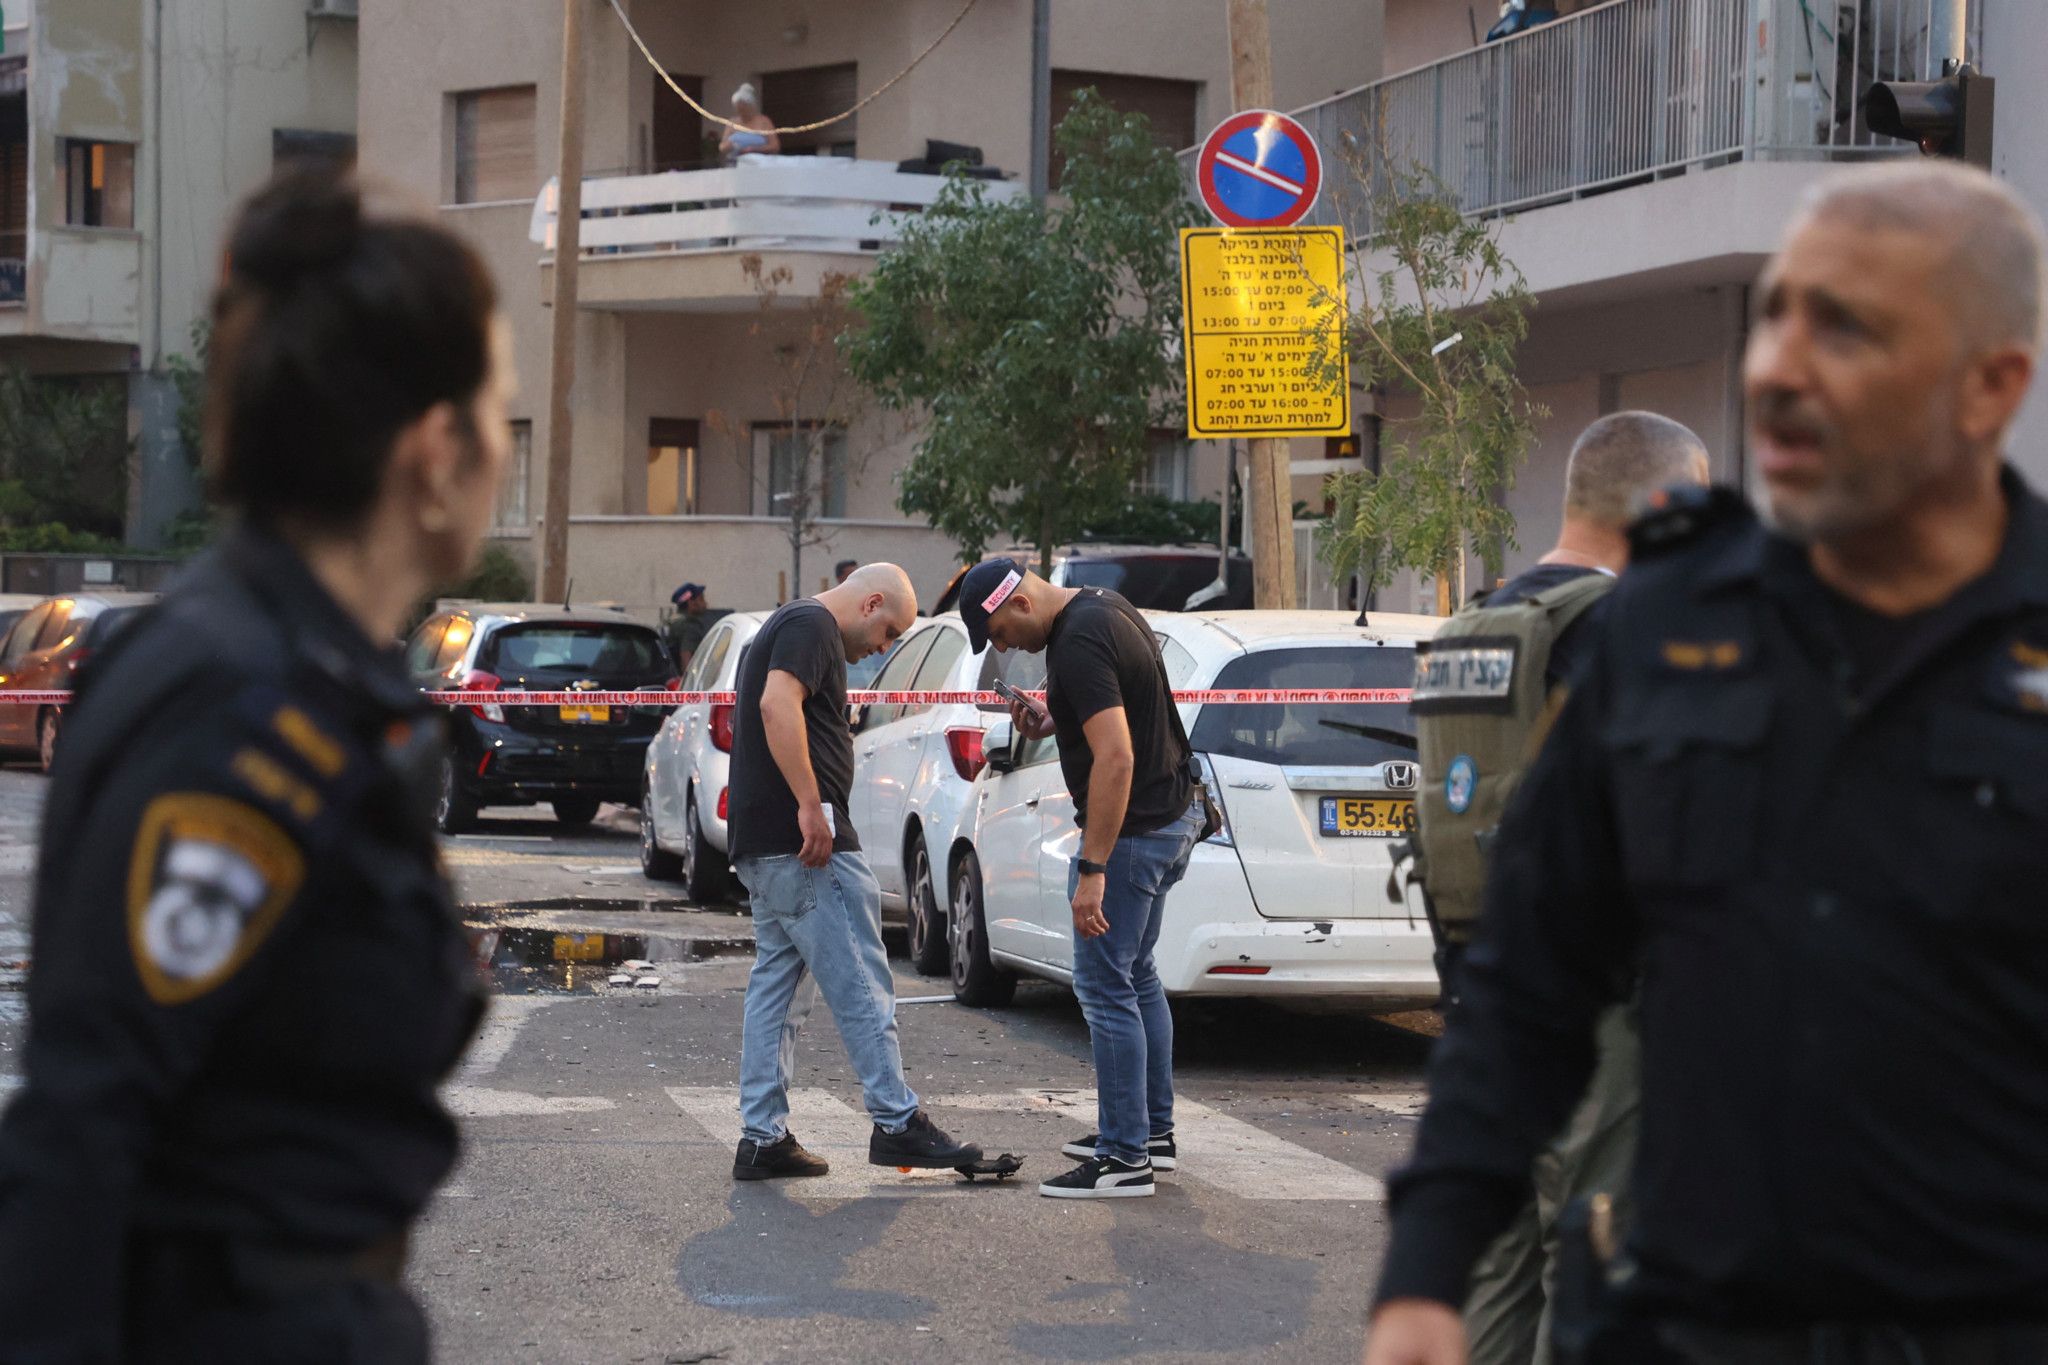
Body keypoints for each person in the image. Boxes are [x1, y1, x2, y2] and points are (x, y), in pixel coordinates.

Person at [1366, 161, 2048, 1364]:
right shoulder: (1661, 628)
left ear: (1989, 384)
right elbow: (1528, 985)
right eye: (1778, 313)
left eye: (1845, 328)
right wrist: (1427, 1265)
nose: (1778, 365)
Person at [0, 168, 512, 1361]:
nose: (500, 446)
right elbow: (90, 1117)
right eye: (501, 410)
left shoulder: (308, 672)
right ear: (434, 452)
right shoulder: (240, 697)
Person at [1412, 412, 1709, 1365]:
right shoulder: (1614, 627)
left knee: (1493, 1287)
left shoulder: (1471, 627)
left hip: (1482, 1004)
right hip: (1598, 1024)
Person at [727, 563, 987, 1180]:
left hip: (764, 844)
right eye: (888, 630)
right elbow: (775, 705)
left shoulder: (785, 625)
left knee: (778, 988)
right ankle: (898, 1123)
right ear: (870, 602)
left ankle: (762, 1137)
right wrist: (811, 806)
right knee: (863, 984)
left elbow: (779, 708)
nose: (885, 646)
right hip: (806, 844)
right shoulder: (812, 626)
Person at [959, 558, 1205, 1199]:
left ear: (1014, 604)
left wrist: (1093, 868)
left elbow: (1118, 757)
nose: (1006, 648)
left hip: (1134, 833)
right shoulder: (1103, 607)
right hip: (1172, 817)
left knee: (1102, 987)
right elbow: (1122, 719)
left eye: (1000, 635)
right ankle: (1149, 1133)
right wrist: (1052, 718)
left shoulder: (1077, 643)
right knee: (1135, 975)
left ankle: (1125, 1157)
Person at [667, 581, 725, 671]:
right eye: (701, 599)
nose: (706, 604)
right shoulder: (689, 625)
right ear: (691, 603)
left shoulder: (670, 621)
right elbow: (686, 661)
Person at [718, 83, 781, 164]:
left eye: (744, 109)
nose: (741, 112)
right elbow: (722, 146)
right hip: (735, 164)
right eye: (739, 109)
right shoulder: (732, 123)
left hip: (760, 164)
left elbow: (775, 146)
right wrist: (727, 147)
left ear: (751, 107)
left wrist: (754, 149)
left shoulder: (764, 121)